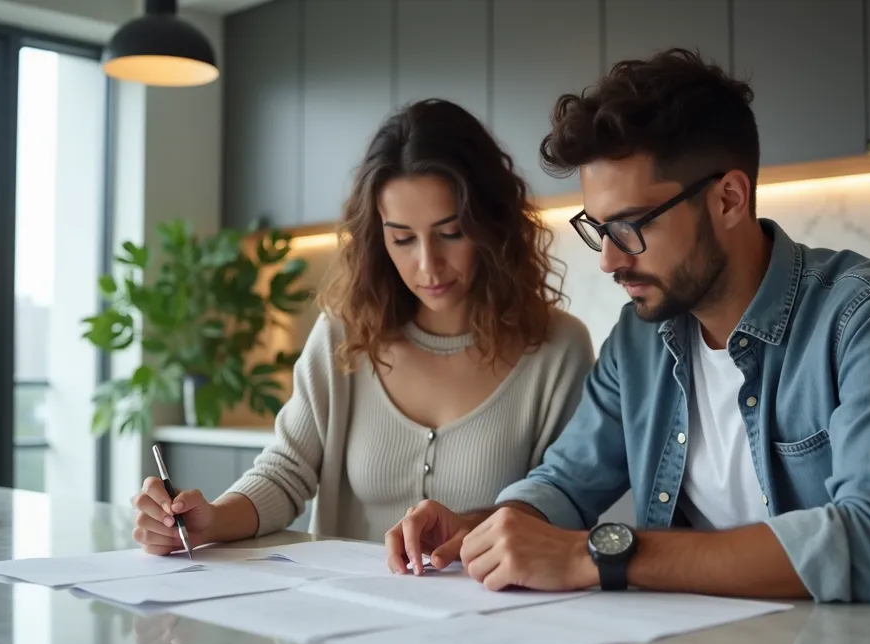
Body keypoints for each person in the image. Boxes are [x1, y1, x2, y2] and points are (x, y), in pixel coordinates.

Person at [384, 49, 870, 617]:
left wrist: (597, 557)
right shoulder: (639, 340)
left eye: (629, 227)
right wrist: (487, 525)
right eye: (598, 229)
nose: (609, 260)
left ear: (729, 199)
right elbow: (565, 483)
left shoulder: (868, 317)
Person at [130, 99, 595, 551]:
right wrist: (211, 519)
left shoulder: (557, 349)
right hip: (344, 619)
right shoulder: (344, 336)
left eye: (451, 233)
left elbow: (560, 503)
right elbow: (285, 471)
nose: (428, 265)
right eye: (403, 239)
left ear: (491, 223)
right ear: (378, 238)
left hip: (493, 621)